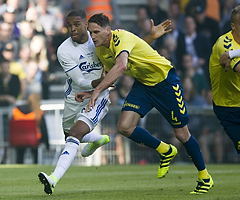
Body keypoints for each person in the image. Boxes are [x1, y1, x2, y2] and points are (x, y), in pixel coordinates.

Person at [38, 9, 171, 195]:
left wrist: (104, 84)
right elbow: (81, 82)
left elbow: (128, 52)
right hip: (75, 95)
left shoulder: (101, 41)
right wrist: (107, 78)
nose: (72, 29)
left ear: (86, 24)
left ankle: (53, 179)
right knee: (71, 134)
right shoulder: (64, 50)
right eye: (69, 25)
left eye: (77, 24)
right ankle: (98, 139)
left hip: (98, 97)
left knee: (75, 133)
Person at [80, 13, 213, 194]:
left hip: (166, 81)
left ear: (108, 31)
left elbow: (121, 66)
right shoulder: (101, 50)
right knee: (124, 127)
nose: (92, 36)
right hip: (143, 84)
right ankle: (165, 150)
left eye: (96, 32)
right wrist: (90, 92)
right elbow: (110, 77)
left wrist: (96, 90)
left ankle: (204, 177)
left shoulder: (120, 37)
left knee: (182, 134)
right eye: (90, 32)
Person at [209, 5, 240, 158]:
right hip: (228, 107)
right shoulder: (225, 44)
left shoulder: (233, 51)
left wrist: (235, 53)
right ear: (233, 26)